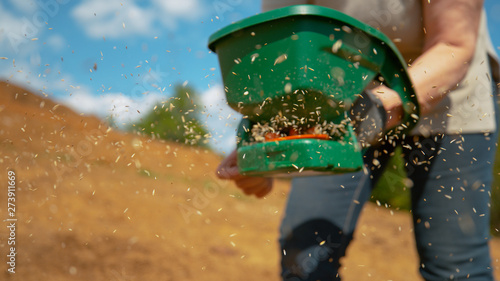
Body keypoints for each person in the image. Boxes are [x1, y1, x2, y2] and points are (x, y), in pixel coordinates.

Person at [216, 0, 500, 280]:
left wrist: (380, 106)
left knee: (454, 266)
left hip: (448, 96)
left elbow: (454, 45)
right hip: (343, 98)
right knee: (304, 256)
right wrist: (265, 148)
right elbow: (284, 59)